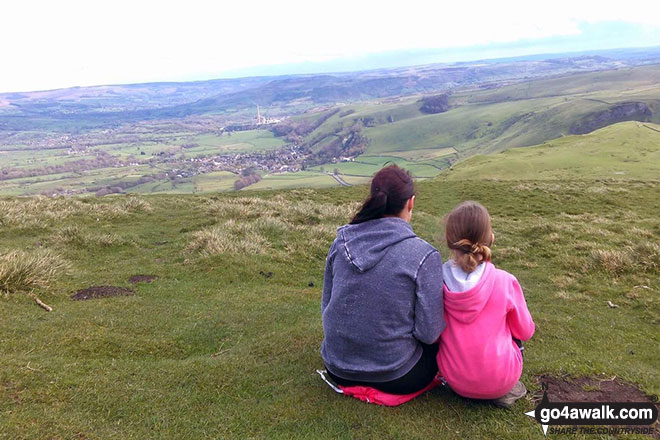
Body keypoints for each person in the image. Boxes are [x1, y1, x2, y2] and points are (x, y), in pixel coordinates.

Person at [321, 164, 445, 395]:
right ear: (411, 202)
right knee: (446, 349)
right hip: (398, 375)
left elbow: (327, 304)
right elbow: (429, 334)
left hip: (337, 367)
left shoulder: (342, 242)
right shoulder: (424, 255)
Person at [436, 201, 535, 408]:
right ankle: (503, 389)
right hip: (502, 381)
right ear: (491, 239)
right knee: (514, 337)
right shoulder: (505, 281)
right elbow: (525, 332)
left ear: (449, 242)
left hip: (455, 381)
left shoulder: (437, 281)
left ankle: (470, 384)